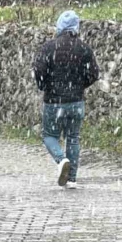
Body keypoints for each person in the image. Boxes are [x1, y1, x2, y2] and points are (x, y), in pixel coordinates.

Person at [33, 11, 100, 189]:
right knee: (73, 138)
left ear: (59, 26)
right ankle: (71, 179)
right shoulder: (84, 48)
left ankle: (61, 160)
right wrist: (80, 86)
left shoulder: (48, 48)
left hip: (54, 101)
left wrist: (45, 86)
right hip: (76, 101)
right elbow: (94, 73)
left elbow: (39, 71)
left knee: (49, 135)